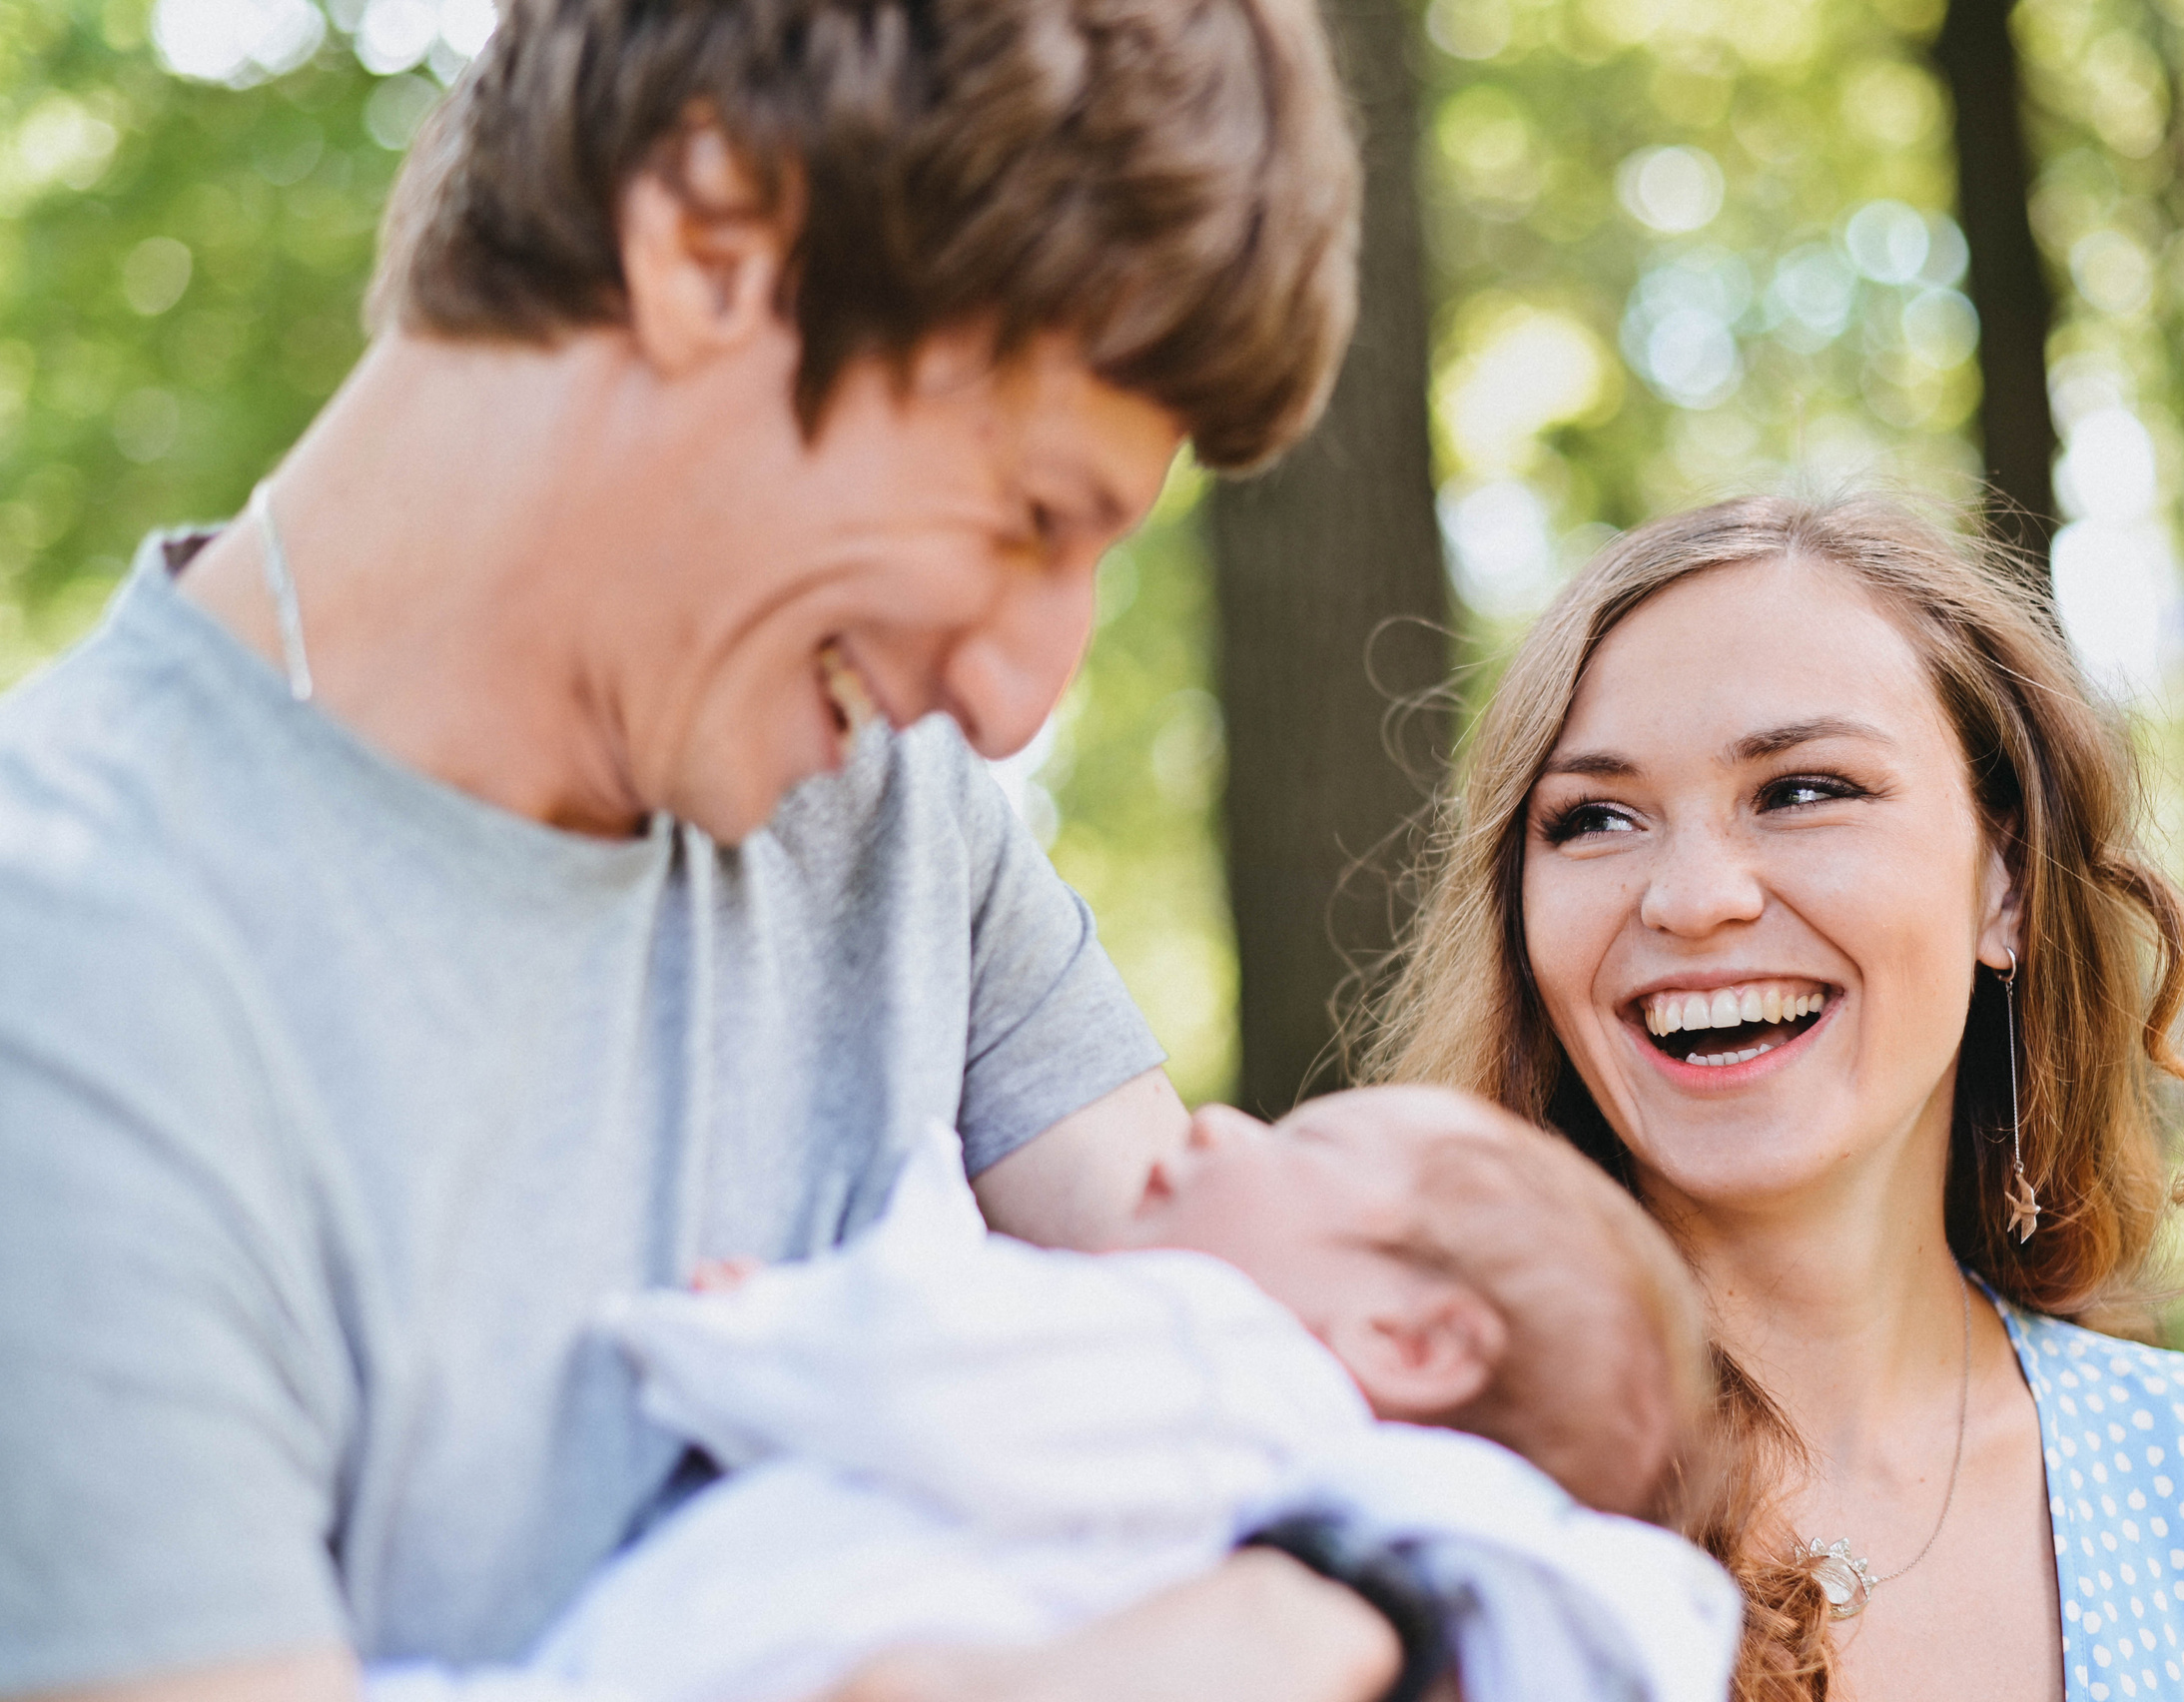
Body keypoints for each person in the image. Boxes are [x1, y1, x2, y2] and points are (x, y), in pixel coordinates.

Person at [0, 0, 1387, 1697]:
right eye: (1031, 518)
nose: (1013, 701)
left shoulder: (887, 818)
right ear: (713, 248)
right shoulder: (72, 978)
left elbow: (1325, 1436)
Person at [1360, 493, 2184, 1701]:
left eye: (1800, 791)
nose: (1692, 898)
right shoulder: (1397, 1485)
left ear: (2005, 887)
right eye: (1594, 817)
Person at [371, 1086, 1740, 1702]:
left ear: (1412, 1339)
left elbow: (938, 1373)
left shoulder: (1229, 1366)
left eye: (1308, 1139)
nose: (1215, 1122)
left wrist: (755, 1330)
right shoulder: (1255, 1483)